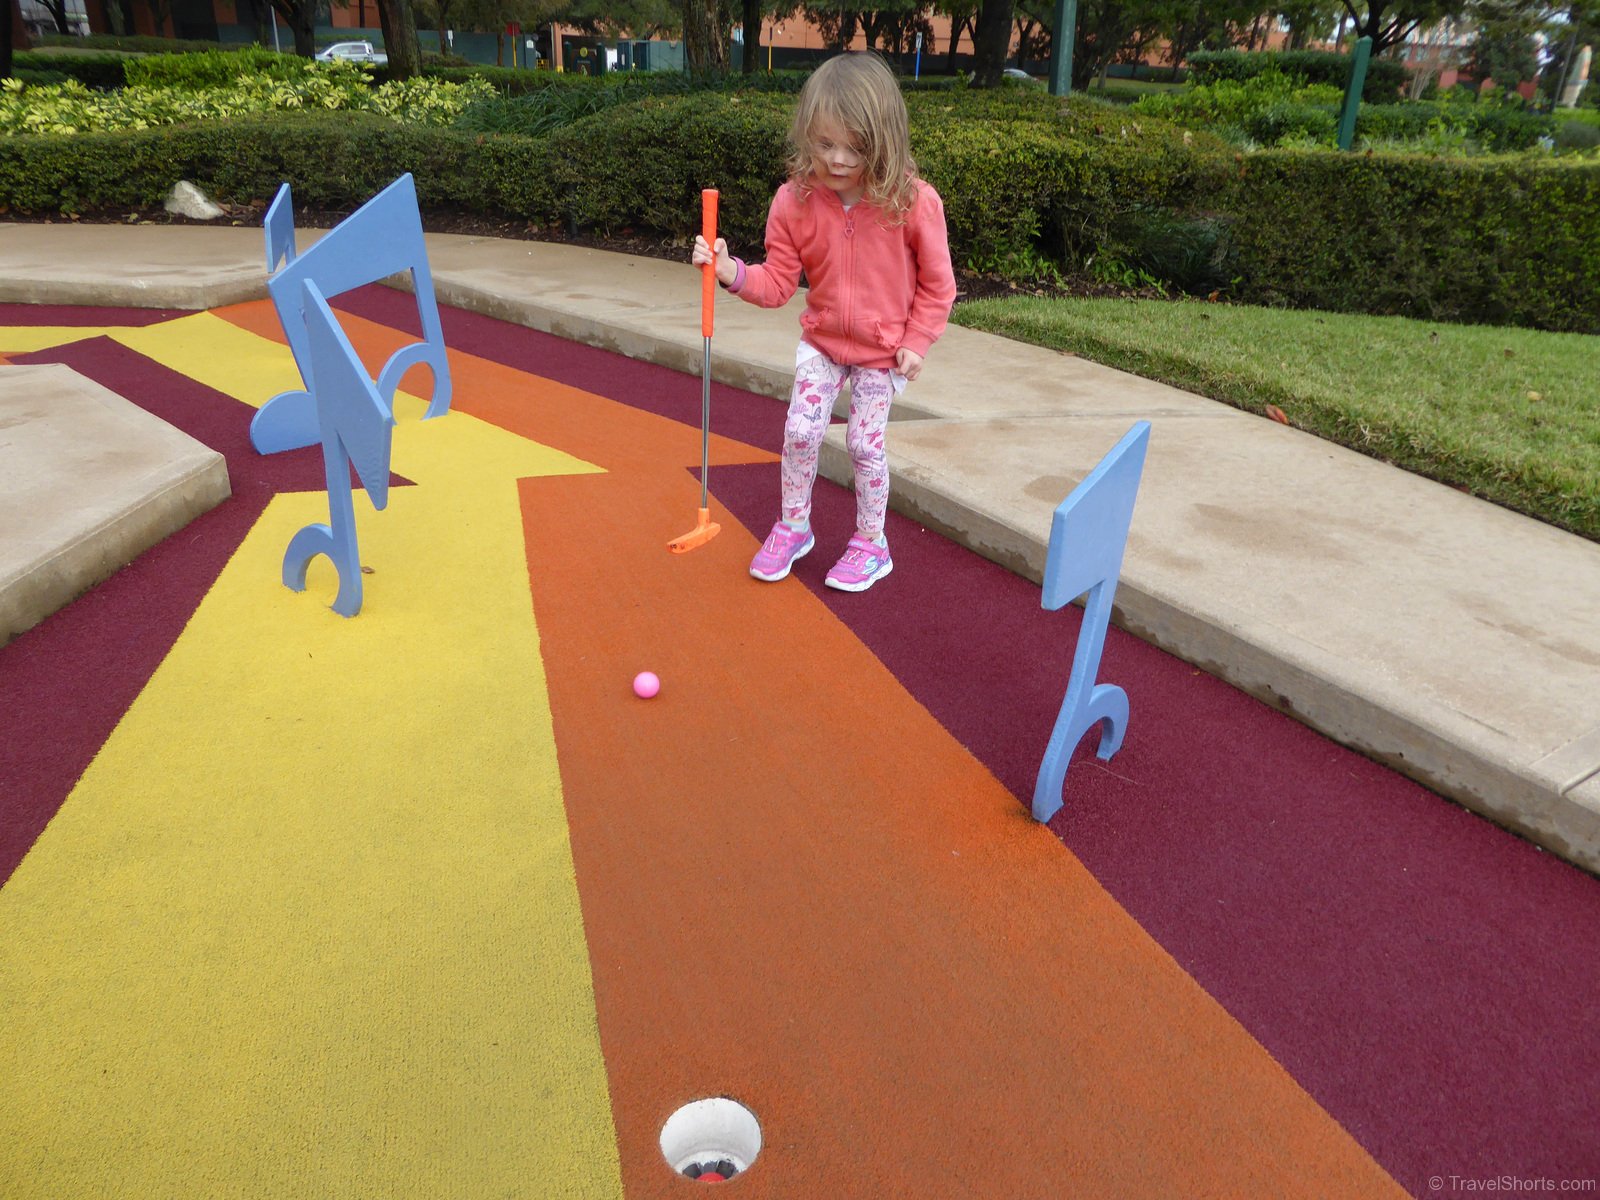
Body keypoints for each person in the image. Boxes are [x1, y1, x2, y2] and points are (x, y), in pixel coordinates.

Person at [692, 52, 956, 593]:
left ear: (882, 142)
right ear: (807, 135)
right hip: (823, 343)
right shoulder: (794, 201)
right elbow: (777, 284)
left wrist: (918, 340)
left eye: (855, 148)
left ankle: (872, 543)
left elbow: (939, 285)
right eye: (824, 144)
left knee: (864, 444)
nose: (837, 160)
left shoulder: (912, 202)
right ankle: (794, 526)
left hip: (883, 352)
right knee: (800, 430)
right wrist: (729, 271)